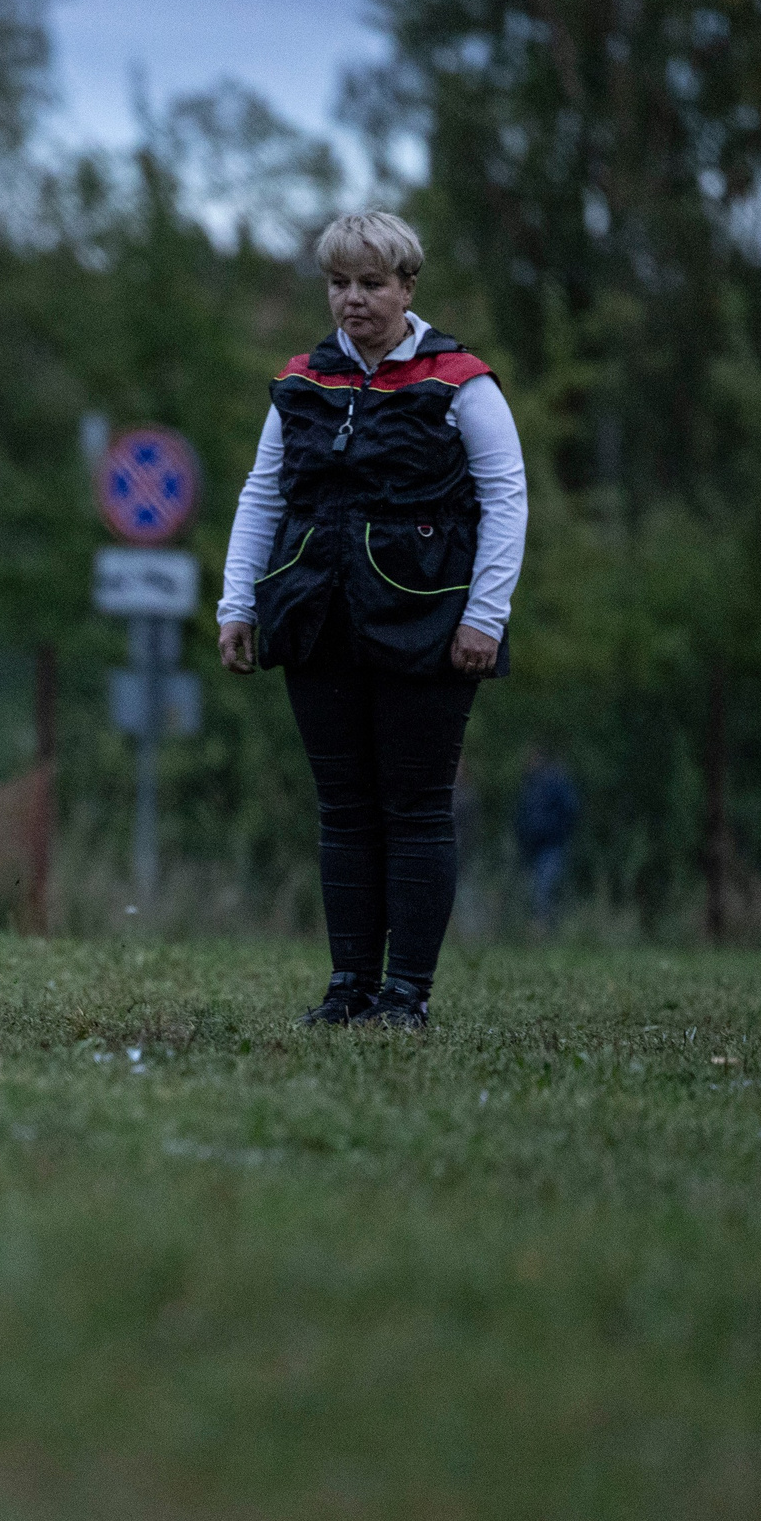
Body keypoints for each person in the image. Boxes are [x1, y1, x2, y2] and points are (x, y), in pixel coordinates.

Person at [217, 210, 527, 1027]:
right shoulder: (302, 381)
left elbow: (507, 499)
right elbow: (262, 493)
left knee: (416, 808)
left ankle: (406, 994)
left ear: (408, 287)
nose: (352, 299)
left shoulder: (460, 381)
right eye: (338, 283)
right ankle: (349, 986)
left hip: (428, 624)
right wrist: (238, 603)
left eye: (371, 283)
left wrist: (485, 617)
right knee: (344, 810)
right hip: (316, 617)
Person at [513, 746, 579, 930]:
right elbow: (521, 815)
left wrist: (559, 832)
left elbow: (571, 810)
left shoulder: (556, 782)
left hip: (552, 844)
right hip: (531, 847)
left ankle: (545, 927)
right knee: (533, 888)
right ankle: (539, 927)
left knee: (545, 887)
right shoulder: (530, 785)